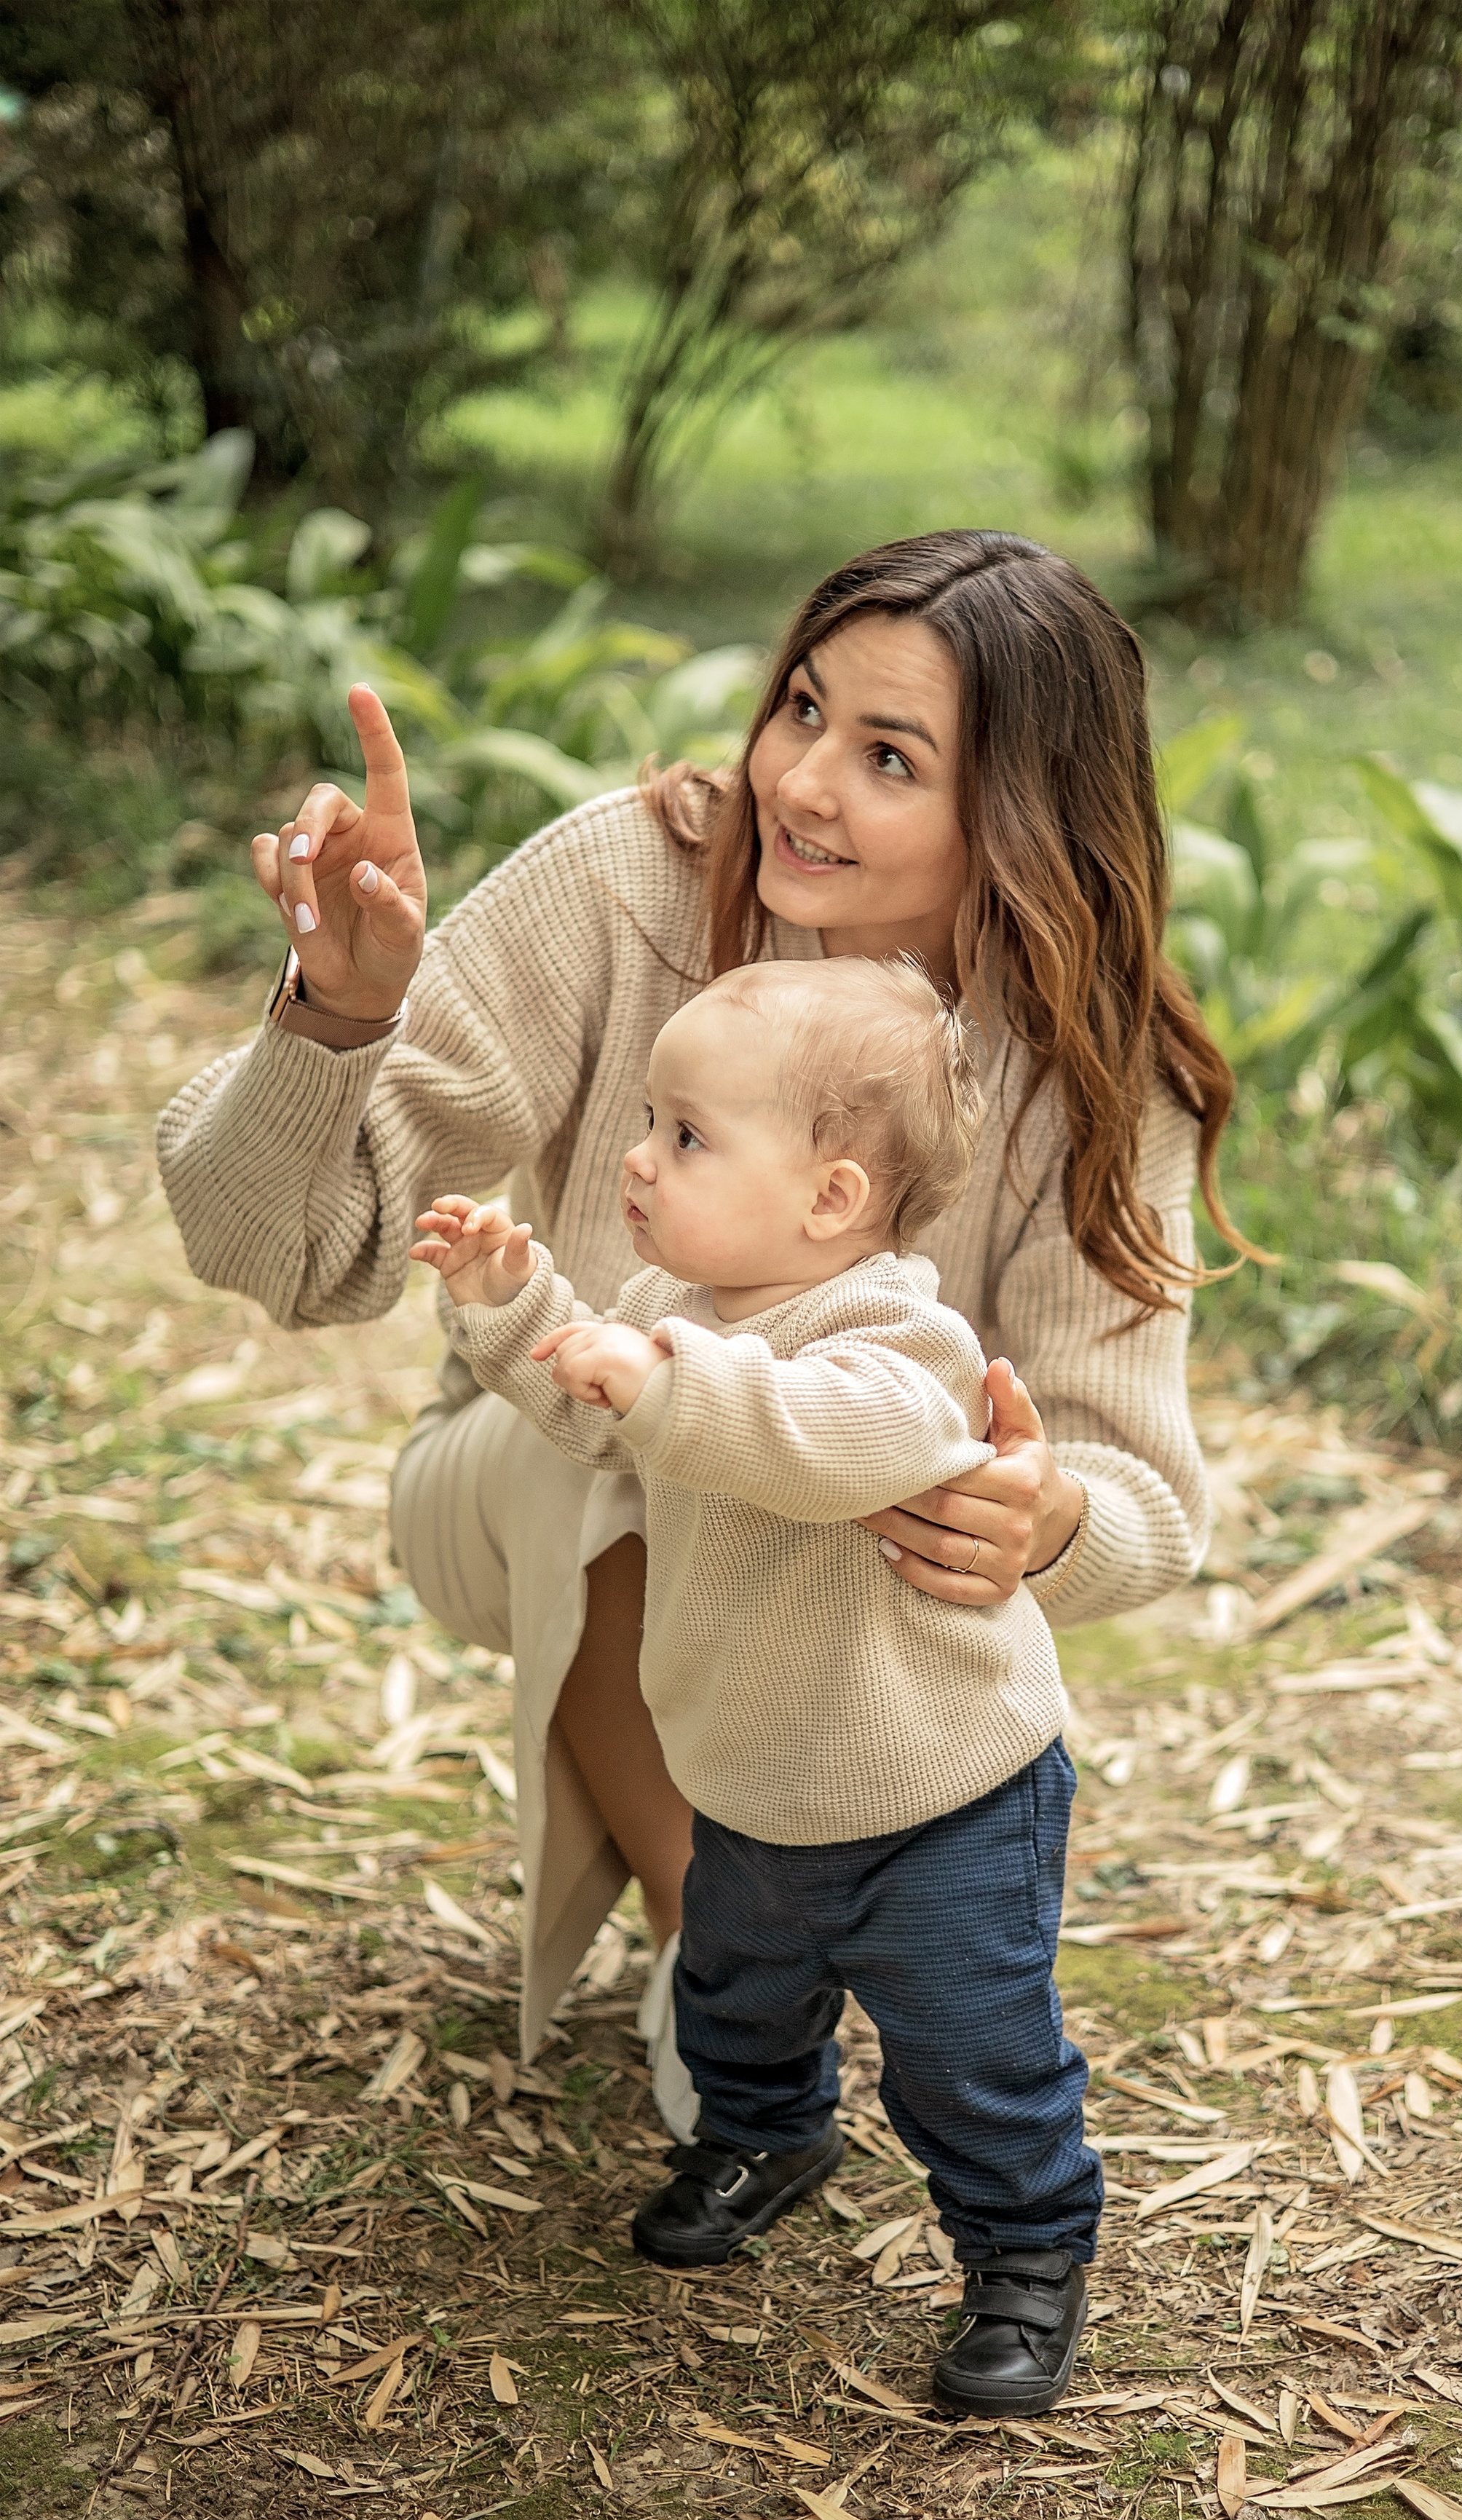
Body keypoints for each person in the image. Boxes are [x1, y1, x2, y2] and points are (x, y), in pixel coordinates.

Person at [156, 528, 1238, 2128]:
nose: (801, 782)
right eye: (800, 709)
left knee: (744, 1441)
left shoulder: (1091, 1064)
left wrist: (1047, 1515)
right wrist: (341, 1012)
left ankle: (813, 1958)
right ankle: (710, 1954)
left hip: (845, 1579)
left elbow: (1144, 1497)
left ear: (1017, 810)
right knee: (653, 1415)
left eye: (888, 756)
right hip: (534, 1469)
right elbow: (276, 1252)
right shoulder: (632, 882)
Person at [414, 955, 1099, 2413]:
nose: (638, 1158)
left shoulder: (894, 1339)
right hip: (753, 1773)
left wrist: (657, 1376)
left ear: (831, 1200)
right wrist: (510, 1300)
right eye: (653, 1124)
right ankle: (765, 2134)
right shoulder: (687, 1307)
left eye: (685, 1135)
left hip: (941, 1794)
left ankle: (1025, 2252)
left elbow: (822, 1442)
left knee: (966, 2050)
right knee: (737, 1992)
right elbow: (610, 1417)